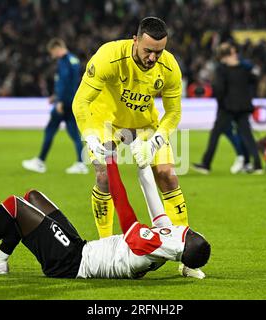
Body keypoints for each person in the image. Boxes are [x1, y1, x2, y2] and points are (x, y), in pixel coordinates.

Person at [0, 155, 210, 280]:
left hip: (70, 263)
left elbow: (126, 214)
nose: (193, 231)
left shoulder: (152, 247)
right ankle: (0, 262)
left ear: (186, 247)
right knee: (32, 196)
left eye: (195, 237)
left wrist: (111, 160)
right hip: (80, 248)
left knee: (13, 206)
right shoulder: (171, 241)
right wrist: (143, 164)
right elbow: (156, 206)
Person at [72, 17, 191, 261]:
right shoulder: (109, 56)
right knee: (104, 175)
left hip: (145, 124)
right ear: (135, 40)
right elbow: (81, 102)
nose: (153, 58)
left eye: (159, 51)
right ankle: (105, 244)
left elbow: (174, 113)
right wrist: (90, 137)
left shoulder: (169, 66)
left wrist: (155, 142)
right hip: (107, 121)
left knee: (168, 175)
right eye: (148, 50)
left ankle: (186, 251)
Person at [191, 42, 263, 175]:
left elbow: (219, 89)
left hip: (227, 107)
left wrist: (220, 101)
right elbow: (254, 80)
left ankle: (206, 164)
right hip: (243, 107)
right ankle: (257, 165)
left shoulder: (222, 69)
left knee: (215, 134)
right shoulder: (245, 68)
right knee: (247, 136)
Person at [22, 38, 88, 174]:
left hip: (64, 103)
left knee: (50, 130)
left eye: (52, 52)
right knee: (74, 133)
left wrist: (59, 101)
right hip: (71, 100)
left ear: (57, 48)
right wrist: (56, 97)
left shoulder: (64, 61)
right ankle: (81, 163)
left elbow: (64, 82)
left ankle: (40, 161)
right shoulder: (73, 60)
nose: (52, 55)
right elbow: (72, 83)